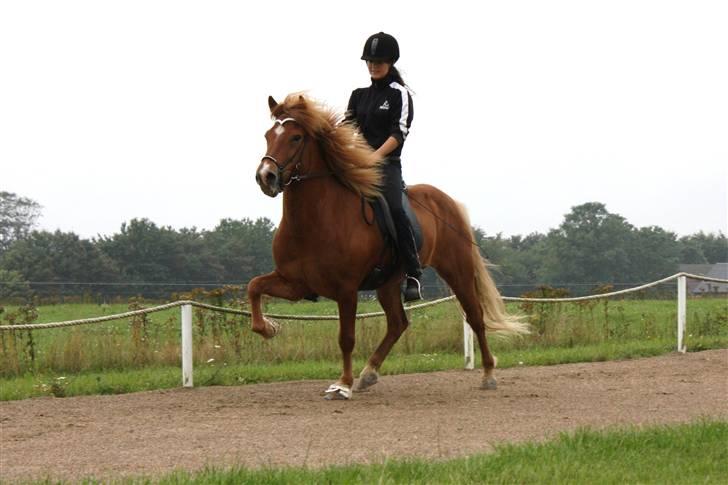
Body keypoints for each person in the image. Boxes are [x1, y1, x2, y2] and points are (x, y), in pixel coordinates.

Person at [346, 32, 423, 302]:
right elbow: (347, 130)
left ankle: (412, 272)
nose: (373, 65)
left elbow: (399, 133)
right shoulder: (358, 95)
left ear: (390, 62)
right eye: (369, 60)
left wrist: (374, 157)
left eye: (378, 61)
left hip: (386, 165)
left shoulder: (400, 94)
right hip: (358, 165)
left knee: (394, 209)